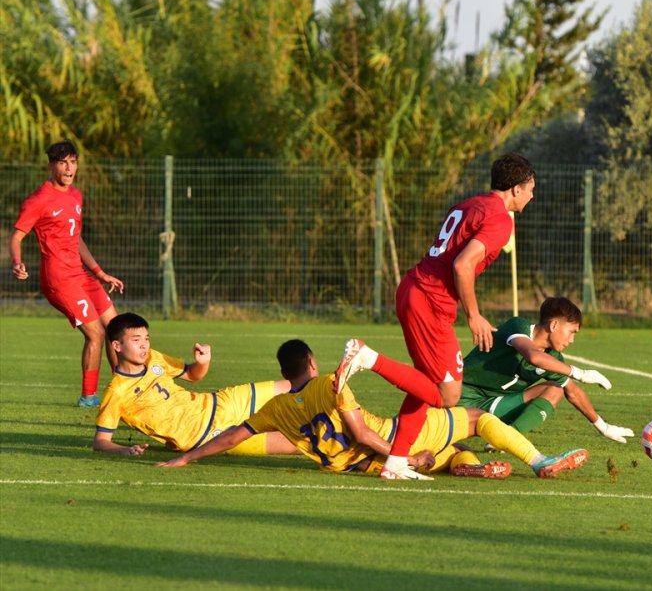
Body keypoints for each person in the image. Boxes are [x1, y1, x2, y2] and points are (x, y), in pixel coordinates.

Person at [336, 152, 536, 479]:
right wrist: (474, 315)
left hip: (414, 290)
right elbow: (462, 265)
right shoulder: (500, 218)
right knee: (448, 394)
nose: (532, 196)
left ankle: (396, 461)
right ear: (515, 189)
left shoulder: (470, 204)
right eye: (530, 189)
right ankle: (367, 357)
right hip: (431, 302)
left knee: (426, 383)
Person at [160, 339, 588, 480]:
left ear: (284, 371)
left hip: (354, 467)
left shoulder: (274, 408)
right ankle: (539, 460)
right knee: (477, 419)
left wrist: (186, 457)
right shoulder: (330, 387)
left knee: (455, 449)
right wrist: (399, 459)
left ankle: (466, 467)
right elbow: (364, 434)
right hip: (390, 440)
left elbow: (232, 436)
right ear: (311, 363)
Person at [9, 140, 124, 407]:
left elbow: (76, 239)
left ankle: (124, 390)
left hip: (81, 275)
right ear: (51, 165)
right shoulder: (38, 200)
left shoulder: (75, 196)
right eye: (62, 162)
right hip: (58, 279)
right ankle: (88, 397)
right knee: (95, 333)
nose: (69, 167)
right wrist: (17, 261)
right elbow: (16, 237)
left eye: (73, 161)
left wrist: (100, 272)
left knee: (117, 329)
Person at [93, 312, 298, 458]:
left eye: (146, 338)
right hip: (207, 436)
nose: (144, 345)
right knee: (297, 443)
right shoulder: (116, 391)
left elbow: (192, 375)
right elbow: (100, 442)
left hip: (221, 402)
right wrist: (123, 450)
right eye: (136, 340)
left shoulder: (154, 358)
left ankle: (329, 397)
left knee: (292, 385)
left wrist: (203, 362)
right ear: (117, 346)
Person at [458, 296, 634, 445]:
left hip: (490, 407)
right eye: (571, 332)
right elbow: (533, 356)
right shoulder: (518, 326)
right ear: (554, 325)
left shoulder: (554, 359)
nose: (571, 340)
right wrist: (581, 373)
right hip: (459, 397)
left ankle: (508, 440)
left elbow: (573, 393)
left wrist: (603, 427)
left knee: (555, 389)